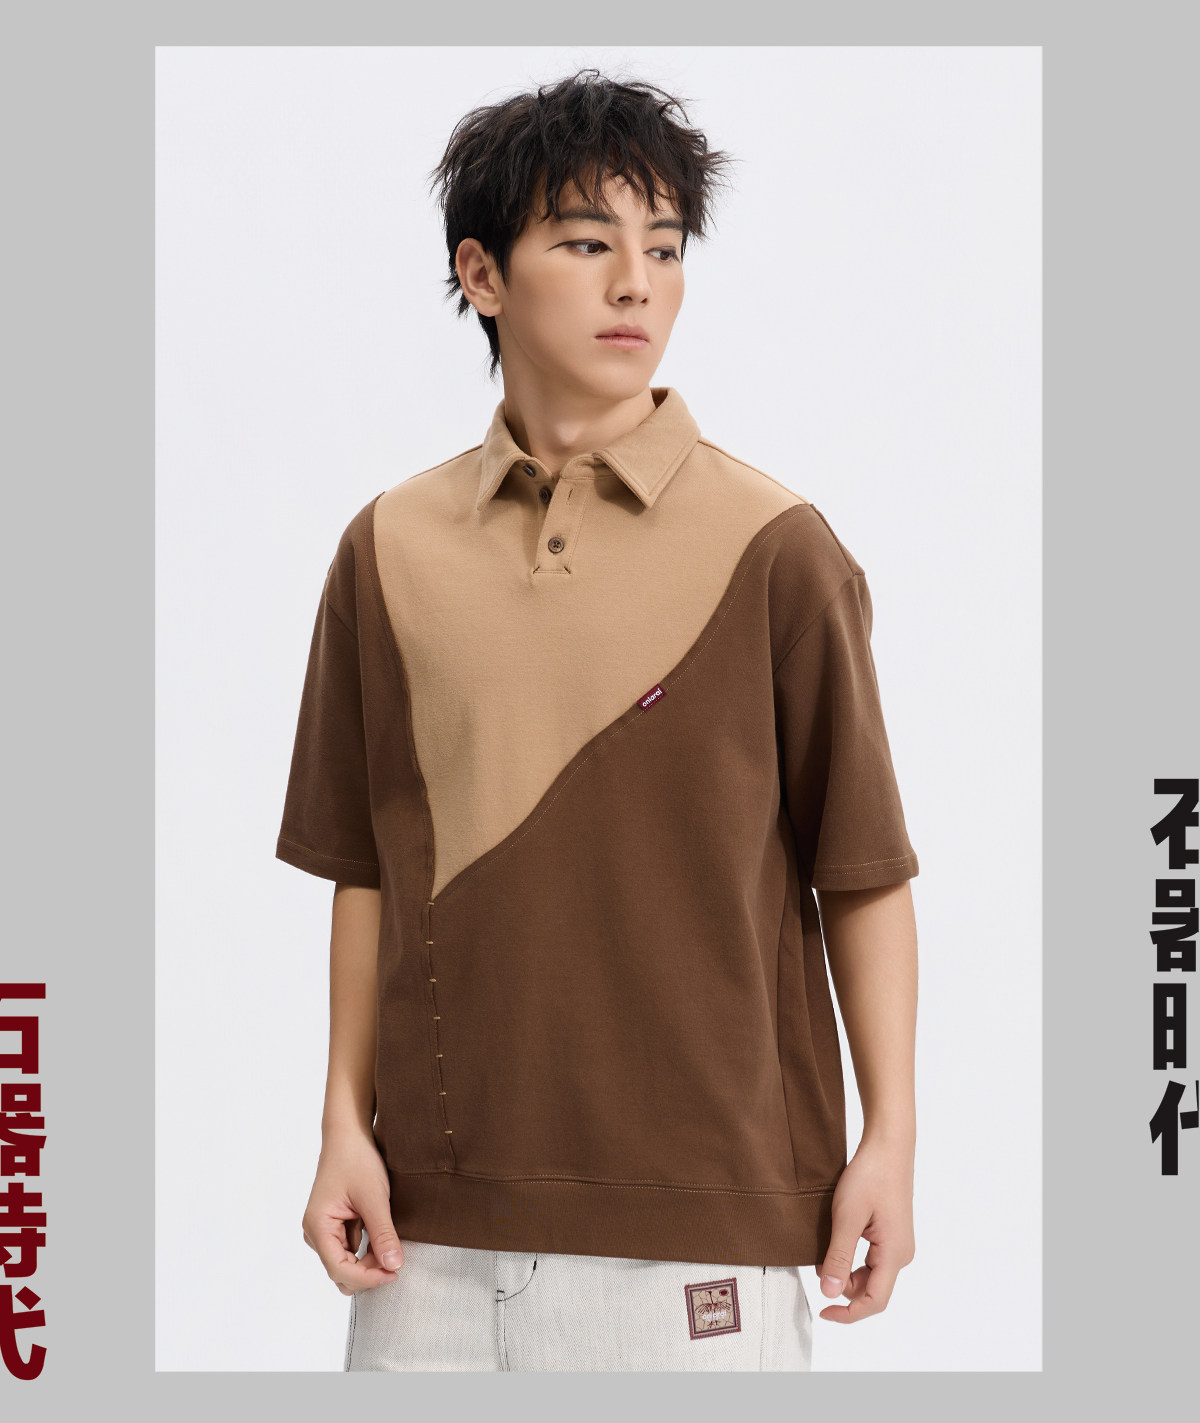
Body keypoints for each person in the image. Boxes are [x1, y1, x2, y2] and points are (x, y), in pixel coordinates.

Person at [275, 67, 920, 1373]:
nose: (637, 284)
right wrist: (343, 1121)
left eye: (664, 249)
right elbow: (367, 870)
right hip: (425, 1245)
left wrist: (890, 1141)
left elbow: (862, 873)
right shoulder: (386, 548)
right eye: (586, 244)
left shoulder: (776, 549)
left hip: (702, 1239)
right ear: (483, 273)